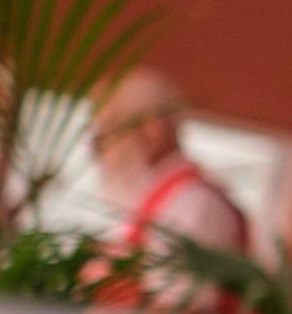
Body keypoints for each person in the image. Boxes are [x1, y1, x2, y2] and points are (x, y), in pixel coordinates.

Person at [91, 70, 247, 258]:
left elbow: (180, 285)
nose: (101, 151)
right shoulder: (154, 199)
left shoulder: (195, 204)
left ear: (151, 129)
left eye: (107, 132)